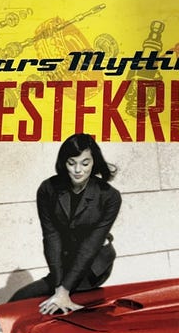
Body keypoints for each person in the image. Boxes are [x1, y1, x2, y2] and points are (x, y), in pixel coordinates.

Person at [9, 133, 122, 315]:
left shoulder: (110, 196)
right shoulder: (48, 189)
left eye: (85, 163)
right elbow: (51, 237)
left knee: (56, 307)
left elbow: (91, 245)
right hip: (66, 259)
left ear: (94, 162)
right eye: (71, 163)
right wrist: (58, 285)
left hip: (94, 265)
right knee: (18, 299)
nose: (78, 170)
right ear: (64, 163)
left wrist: (64, 290)